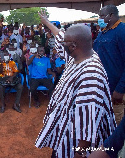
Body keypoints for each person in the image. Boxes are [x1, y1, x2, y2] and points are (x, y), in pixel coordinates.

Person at [35, 11, 116, 158]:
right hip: (66, 135)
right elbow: (60, 35)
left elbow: (88, 122)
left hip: (76, 145)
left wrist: (80, 152)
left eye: (65, 43)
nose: (60, 44)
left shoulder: (91, 75)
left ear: (73, 46)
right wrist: (46, 22)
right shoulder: (79, 55)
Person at [93, 5, 125, 125]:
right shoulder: (103, 33)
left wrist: (120, 89)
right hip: (104, 88)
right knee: (105, 121)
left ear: (110, 15)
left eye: (101, 16)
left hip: (116, 90)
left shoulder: (122, 32)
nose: (99, 19)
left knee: (116, 122)